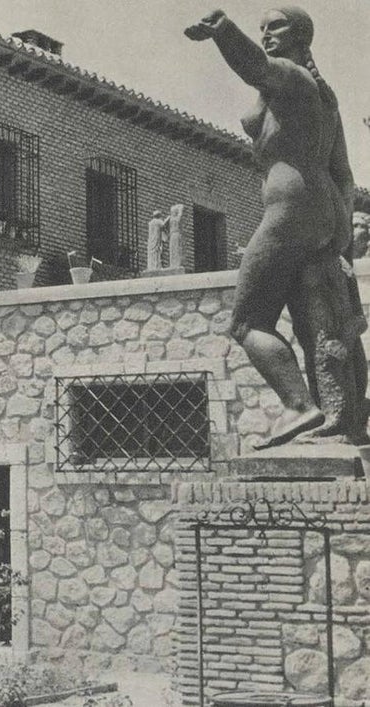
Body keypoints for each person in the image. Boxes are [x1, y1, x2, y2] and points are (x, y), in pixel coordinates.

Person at [186, 6, 368, 448]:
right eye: (261, 28)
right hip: (320, 207)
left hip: (290, 207)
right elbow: (342, 171)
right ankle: (345, 417)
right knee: (317, 321)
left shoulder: (288, 75)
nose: (267, 34)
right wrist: (340, 229)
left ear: (300, 34)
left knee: (247, 323)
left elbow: (256, 68)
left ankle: (299, 406)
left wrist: (223, 31)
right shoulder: (323, 93)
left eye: (277, 27)